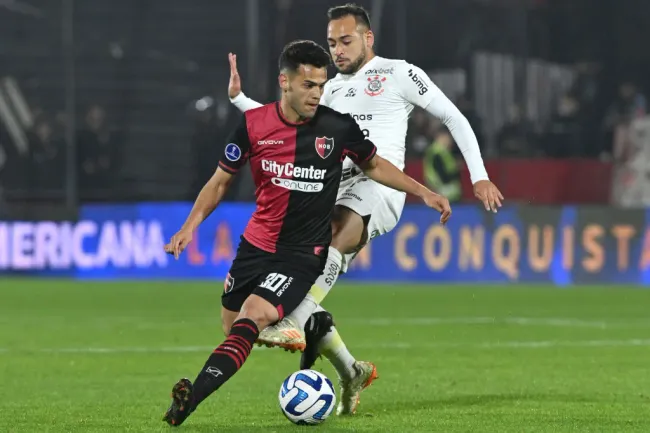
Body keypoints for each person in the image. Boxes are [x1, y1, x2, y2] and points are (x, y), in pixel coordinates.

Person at [227, 3, 504, 414]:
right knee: (299, 268)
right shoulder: (330, 90)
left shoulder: (399, 73)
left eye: (345, 40)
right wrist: (240, 100)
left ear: (367, 38)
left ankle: (293, 318)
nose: (337, 50)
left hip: (380, 187)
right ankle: (350, 369)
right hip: (334, 187)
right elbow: (278, 118)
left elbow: (453, 116)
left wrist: (478, 174)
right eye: (331, 43)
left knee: (334, 236)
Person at [162, 39, 451, 427]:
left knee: (254, 317)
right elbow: (218, 184)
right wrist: (189, 227)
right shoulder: (254, 126)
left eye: (321, 84)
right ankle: (322, 332)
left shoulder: (336, 128)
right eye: (308, 85)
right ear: (285, 82)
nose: (317, 94)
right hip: (255, 247)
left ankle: (188, 400)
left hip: (302, 254)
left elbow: (376, 166)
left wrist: (424, 192)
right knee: (233, 329)